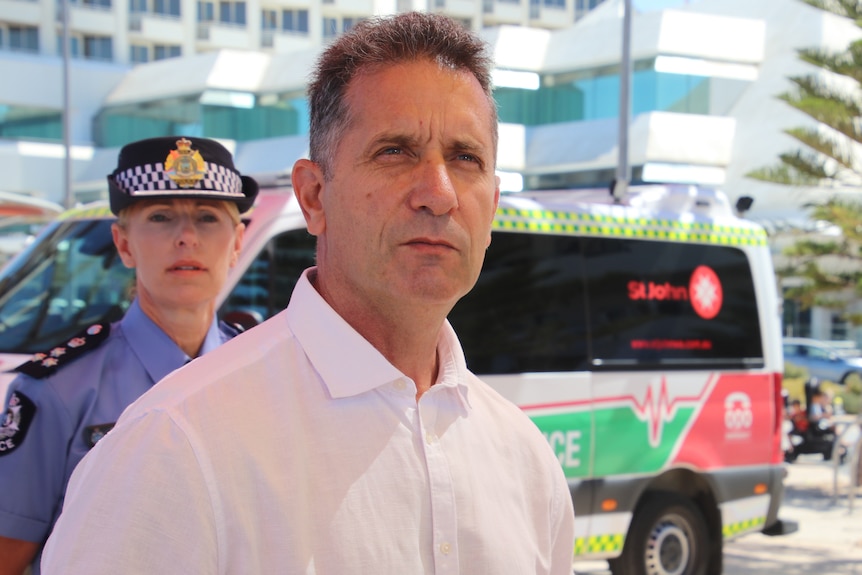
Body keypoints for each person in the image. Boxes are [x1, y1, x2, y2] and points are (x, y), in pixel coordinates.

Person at [42, 13, 575, 574]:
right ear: (314, 196)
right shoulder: (175, 447)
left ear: (491, 207)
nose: (438, 194)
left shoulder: (526, 460)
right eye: (395, 151)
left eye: (465, 157)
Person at [0, 136, 257, 575]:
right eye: (160, 217)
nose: (187, 238)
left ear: (236, 242)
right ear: (122, 244)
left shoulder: (261, 374)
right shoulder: (57, 391)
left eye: (207, 218)